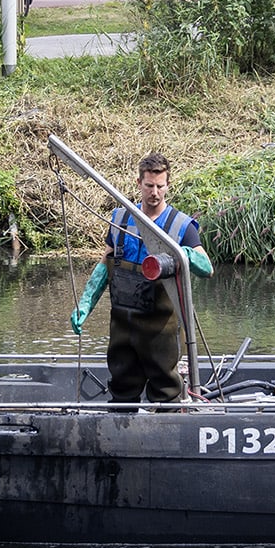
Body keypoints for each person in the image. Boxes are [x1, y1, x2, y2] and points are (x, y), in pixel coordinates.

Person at [68, 152, 214, 403]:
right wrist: (85, 303)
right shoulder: (121, 219)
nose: (154, 193)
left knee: (166, 389)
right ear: (139, 184)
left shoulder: (180, 226)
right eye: (149, 186)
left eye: (160, 186)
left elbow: (207, 268)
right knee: (122, 386)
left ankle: (169, 429)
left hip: (161, 329)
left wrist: (183, 253)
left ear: (168, 185)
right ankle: (121, 430)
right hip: (123, 326)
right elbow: (106, 264)